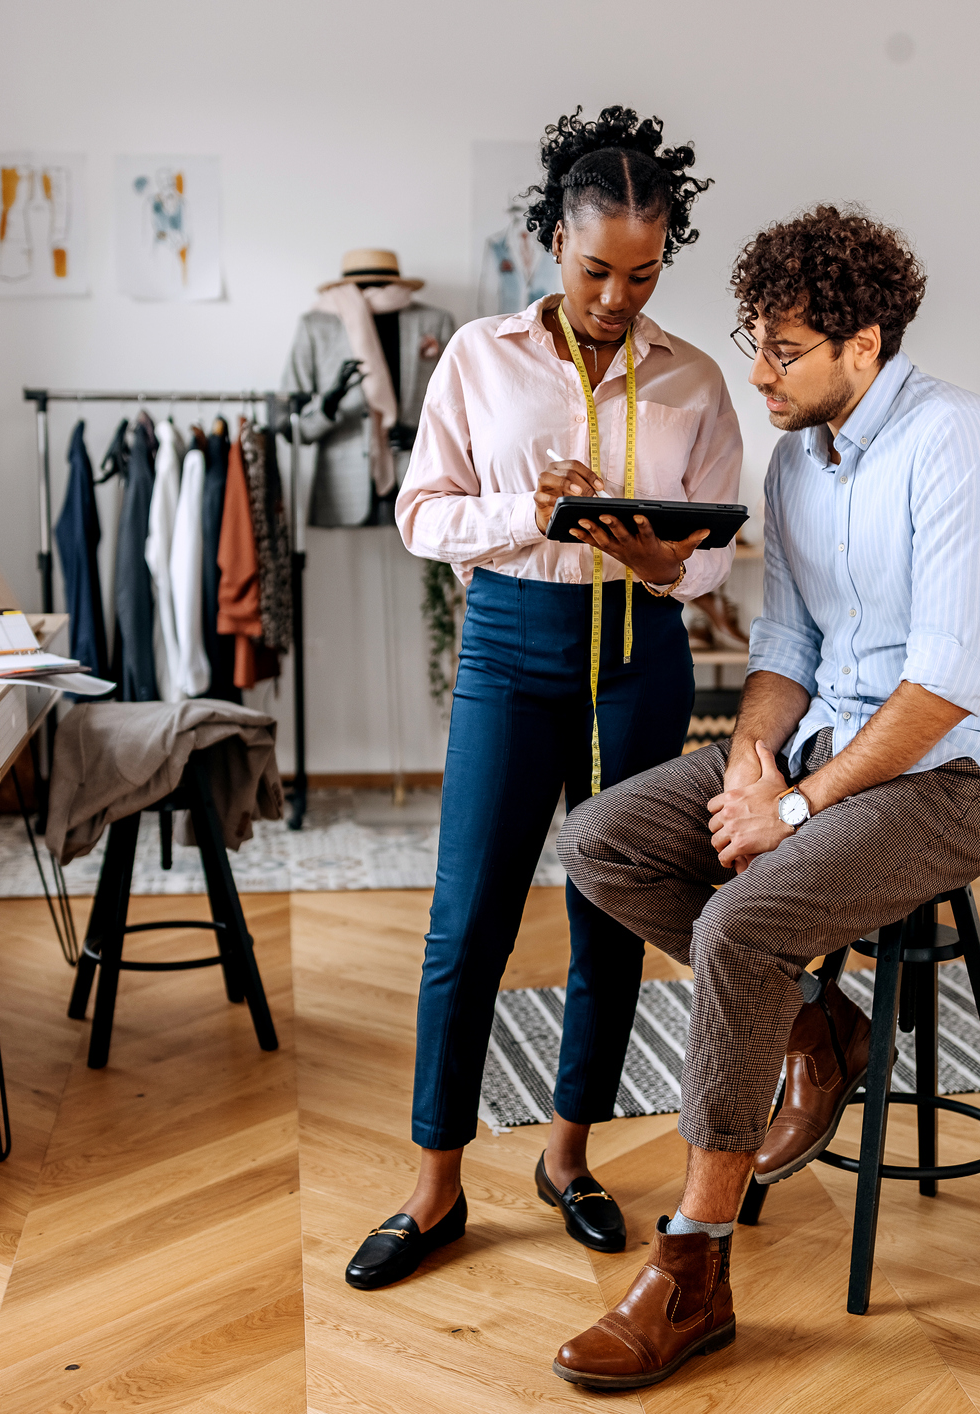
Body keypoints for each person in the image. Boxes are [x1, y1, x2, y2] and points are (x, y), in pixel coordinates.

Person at [548, 204, 980, 1389]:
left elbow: (942, 689)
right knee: (599, 836)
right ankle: (818, 1023)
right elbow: (783, 640)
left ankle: (693, 1266)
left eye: (782, 349)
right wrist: (745, 761)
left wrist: (795, 808)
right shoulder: (796, 461)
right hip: (832, 742)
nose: (756, 370)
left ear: (863, 345)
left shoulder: (956, 445)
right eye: (752, 339)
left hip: (964, 774)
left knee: (742, 923)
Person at [340, 106, 743, 1292]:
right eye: (593, 270)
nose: (617, 296)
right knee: (466, 919)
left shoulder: (697, 379)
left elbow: (716, 543)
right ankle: (434, 1186)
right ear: (547, 248)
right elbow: (423, 516)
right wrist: (532, 508)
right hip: (510, 644)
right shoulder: (477, 357)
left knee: (608, 914)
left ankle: (567, 1160)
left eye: (641, 273)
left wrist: (672, 561)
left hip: (640, 651)